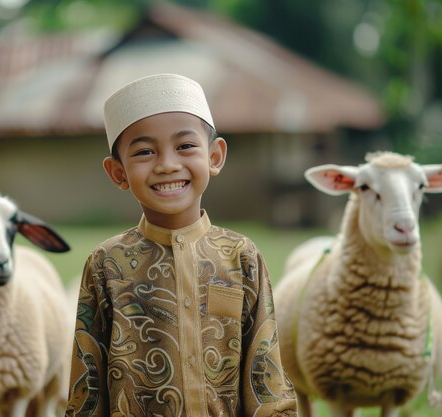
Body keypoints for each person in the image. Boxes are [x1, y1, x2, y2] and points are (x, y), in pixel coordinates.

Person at [65, 73, 297, 417]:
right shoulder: (106, 264)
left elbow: (264, 375)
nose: (168, 164)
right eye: (144, 152)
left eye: (185, 146)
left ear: (214, 156)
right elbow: (88, 384)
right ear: (118, 173)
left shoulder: (240, 256)